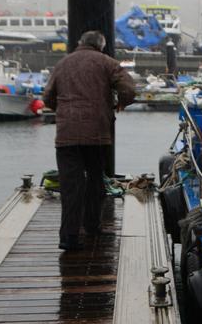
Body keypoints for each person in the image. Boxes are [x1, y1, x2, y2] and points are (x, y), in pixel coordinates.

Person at [43, 30, 135, 250]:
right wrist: (120, 103)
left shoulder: (62, 64)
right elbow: (129, 89)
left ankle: (68, 237)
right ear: (100, 46)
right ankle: (93, 225)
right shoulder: (107, 63)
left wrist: (64, 111)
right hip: (97, 133)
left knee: (70, 186)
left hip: (66, 135)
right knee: (95, 180)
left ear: (80, 43)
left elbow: (47, 97)